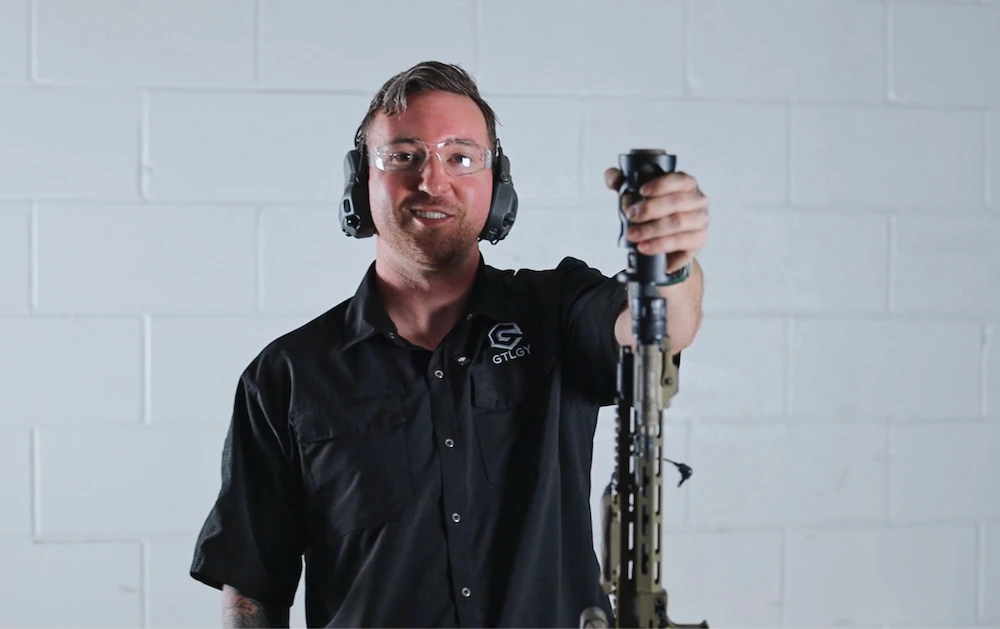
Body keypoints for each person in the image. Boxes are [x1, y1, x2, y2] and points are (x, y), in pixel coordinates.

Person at [189, 60, 709, 628]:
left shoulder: (557, 311)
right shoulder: (285, 375)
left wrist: (671, 263)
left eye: (461, 156)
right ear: (361, 182)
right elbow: (253, 591)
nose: (431, 180)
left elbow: (658, 326)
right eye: (404, 156)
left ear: (498, 185)